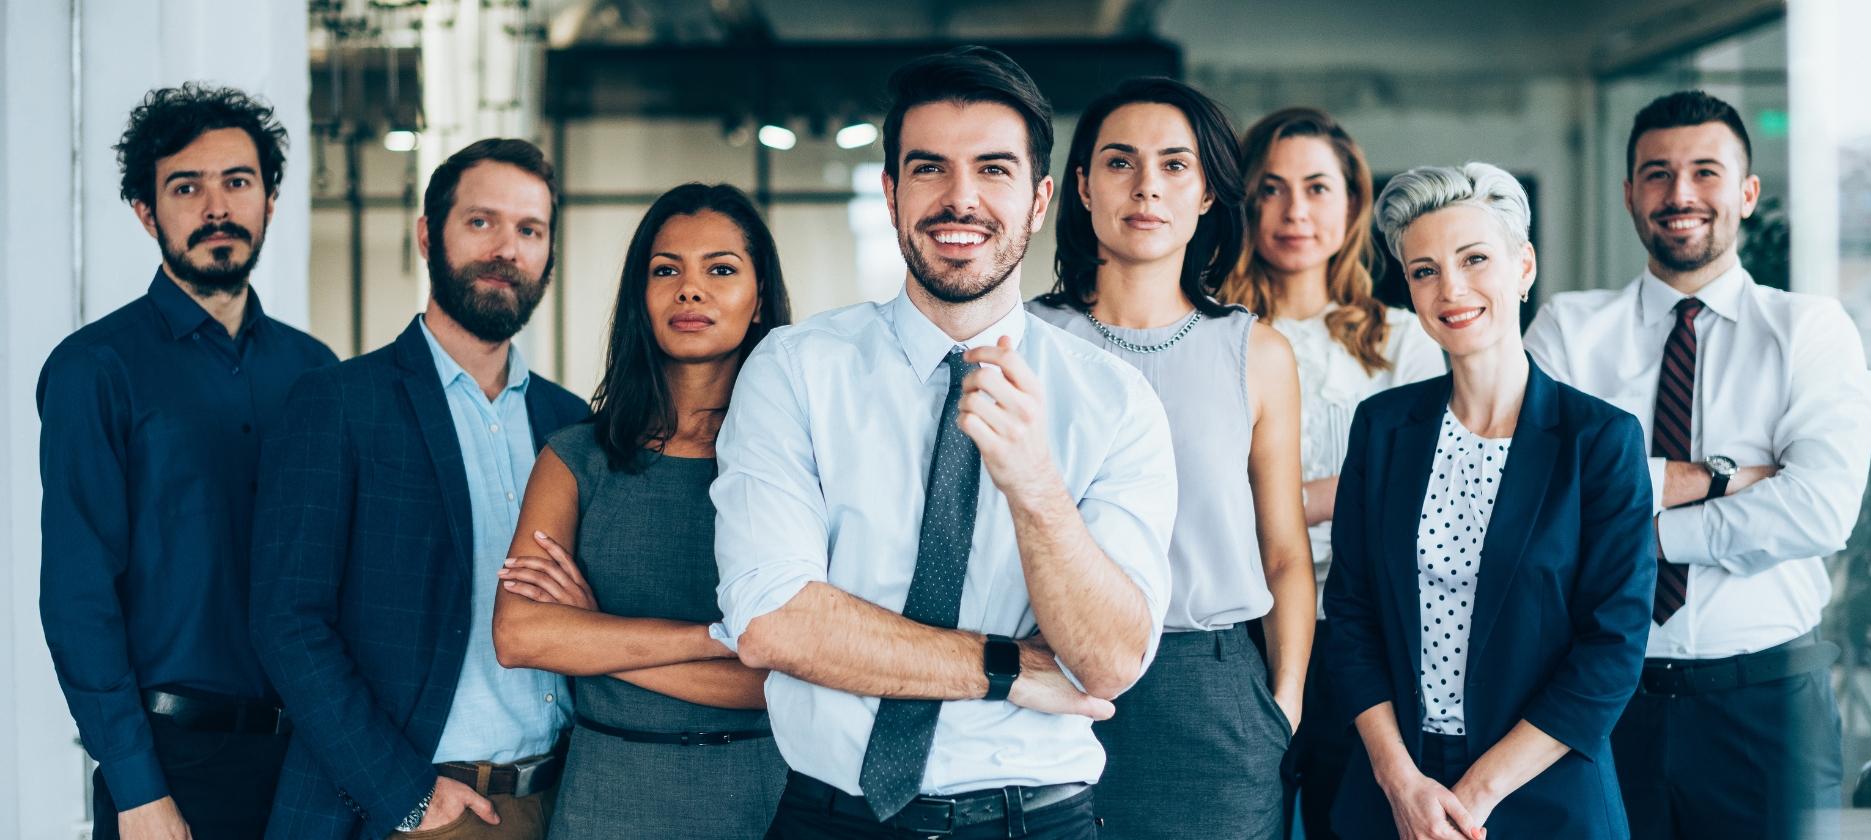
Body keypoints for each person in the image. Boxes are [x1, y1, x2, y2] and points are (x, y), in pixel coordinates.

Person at [709, 46, 1178, 840]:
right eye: (929, 169)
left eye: (994, 170)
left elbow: (1109, 664)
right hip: (833, 818)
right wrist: (1009, 669)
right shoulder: (794, 370)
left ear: (1038, 201)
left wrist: (1036, 486)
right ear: (891, 194)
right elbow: (772, 621)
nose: (960, 200)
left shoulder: (1115, 403)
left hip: (1035, 820)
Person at [1523, 90, 1871, 840]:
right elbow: (1535, 505)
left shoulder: (1809, 330)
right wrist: (1728, 477)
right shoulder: (1567, 332)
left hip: (1768, 704)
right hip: (1600, 701)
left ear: (1747, 193)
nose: (1680, 194)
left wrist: (1634, 532)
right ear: (1628, 194)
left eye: (1705, 172)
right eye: (1656, 173)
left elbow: (1818, 510)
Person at [250, 138, 589, 839]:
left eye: (530, 230)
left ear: (549, 256)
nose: (506, 248)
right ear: (427, 236)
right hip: (416, 808)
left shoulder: (572, 424)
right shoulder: (339, 404)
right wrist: (406, 795)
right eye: (481, 222)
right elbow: (287, 621)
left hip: (562, 800)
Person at [37, 83, 337, 840]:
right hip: (171, 762)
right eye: (185, 187)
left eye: (238, 182)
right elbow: (78, 597)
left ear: (270, 200)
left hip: (309, 761)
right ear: (147, 213)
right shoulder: (97, 369)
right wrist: (137, 788)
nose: (216, 207)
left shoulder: (318, 375)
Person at [1322, 162, 1655, 839]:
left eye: (1475, 259)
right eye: (1424, 270)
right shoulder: (1383, 428)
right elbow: (1351, 617)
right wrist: (1402, 782)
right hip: (1395, 792)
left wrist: (1472, 796)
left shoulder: (1601, 440)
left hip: (1545, 791)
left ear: (1524, 266)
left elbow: (1612, 650)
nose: (1452, 289)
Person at [1027, 77, 1313, 839]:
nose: (1147, 186)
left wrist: (1280, 709)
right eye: (1119, 163)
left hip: (1211, 698)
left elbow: (1284, 553)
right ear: (1082, 188)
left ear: (1210, 192)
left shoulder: (1257, 353)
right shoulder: (1023, 342)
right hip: (1049, 679)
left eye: (1174, 165)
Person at [491, 183, 794, 838]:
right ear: (641, 295)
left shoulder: (799, 465)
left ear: (759, 296)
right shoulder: (575, 456)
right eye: (666, 270)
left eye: (720, 269)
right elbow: (520, 637)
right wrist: (718, 641)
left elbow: (788, 682)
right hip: (605, 797)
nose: (691, 290)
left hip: (761, 798)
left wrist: (592, 634)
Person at [1217, 108, 1445, 839]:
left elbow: (1424, 487)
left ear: (1353, 203)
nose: (1295, 212)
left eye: (1317, 188)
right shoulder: (1212, 335)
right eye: (1271, 189)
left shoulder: (1402, 337)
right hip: (1242, 621)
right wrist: (1343, 496)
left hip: (1368, 627)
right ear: (1245, 204)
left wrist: (1277, 504)